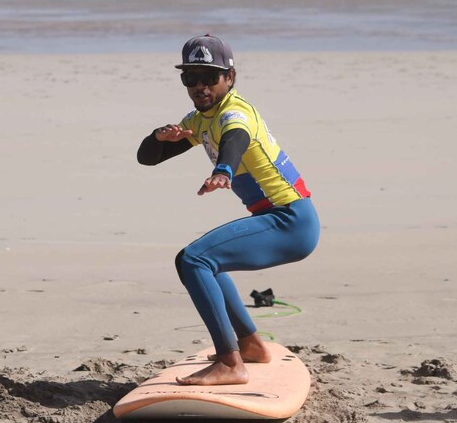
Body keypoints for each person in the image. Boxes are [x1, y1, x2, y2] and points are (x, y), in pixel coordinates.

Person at [137, 35, 320, 386]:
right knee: (208, 263)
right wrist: (159, 138)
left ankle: (230, 363)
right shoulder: (202, 119)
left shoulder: (235, 113)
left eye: (210, 77)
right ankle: (251, 347)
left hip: (291, 220)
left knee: (193, 260)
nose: (200, 86)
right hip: (278, 219)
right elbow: (147, 158)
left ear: (230, 78)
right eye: (191, 78)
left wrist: (223, 171)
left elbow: (235, 139)